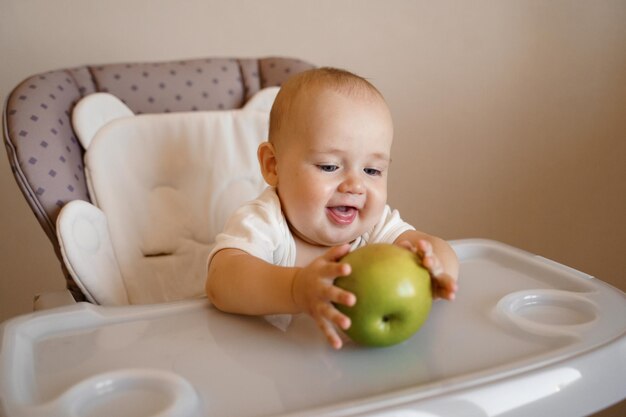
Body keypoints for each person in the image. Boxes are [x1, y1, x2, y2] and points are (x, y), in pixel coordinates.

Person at [206, 67, 458, 349]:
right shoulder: (263, 221)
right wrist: (295, 289)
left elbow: (438, 248)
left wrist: (434, 271)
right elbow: (221, 280)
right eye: (329, 166)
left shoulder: (374, 227)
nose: (355, 185)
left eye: (372, 170)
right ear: (272, 165)